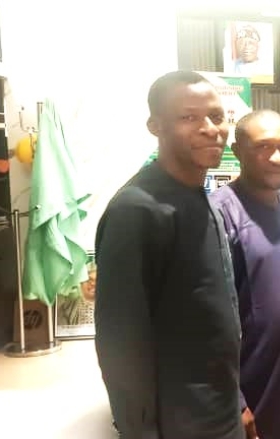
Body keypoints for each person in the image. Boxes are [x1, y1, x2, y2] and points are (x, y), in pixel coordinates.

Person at [94, 70, 243, 439]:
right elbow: (120, 343)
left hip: (218, 411)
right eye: (189, 118)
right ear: (155, 126)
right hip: (177, 422)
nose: (210, 128)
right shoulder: (138, 210)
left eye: (217, 117)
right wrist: (139, 431)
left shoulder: (198, 194)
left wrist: (236, 402)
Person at [211, 110, 280, 439]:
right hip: (254, 385)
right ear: (237, 151)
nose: (278, 157)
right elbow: (208, 322)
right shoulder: (219, 214)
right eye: (264, 147)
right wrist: (236, 401)